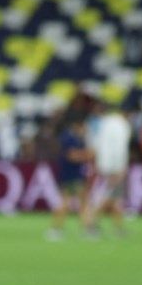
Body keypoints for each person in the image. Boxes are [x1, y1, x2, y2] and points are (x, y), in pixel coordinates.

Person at [83, 98, 132, 238]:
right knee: (106, 197)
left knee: (115, 198)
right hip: (114, 167)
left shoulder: (103, 123)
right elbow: (119, 149)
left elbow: (96, 145)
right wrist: (120, 169)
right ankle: (90, 225)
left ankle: (118, 228)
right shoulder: (122, 124)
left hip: (103, 165)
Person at [46, 103, 90, 241]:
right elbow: (71, 155)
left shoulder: (73, 137)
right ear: (77, 124)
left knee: (72, 202)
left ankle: (57, 229)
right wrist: (88, 155)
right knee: (72, 202)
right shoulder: (69, 138)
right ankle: (84, 230)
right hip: (71, 174)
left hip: (72, 174)